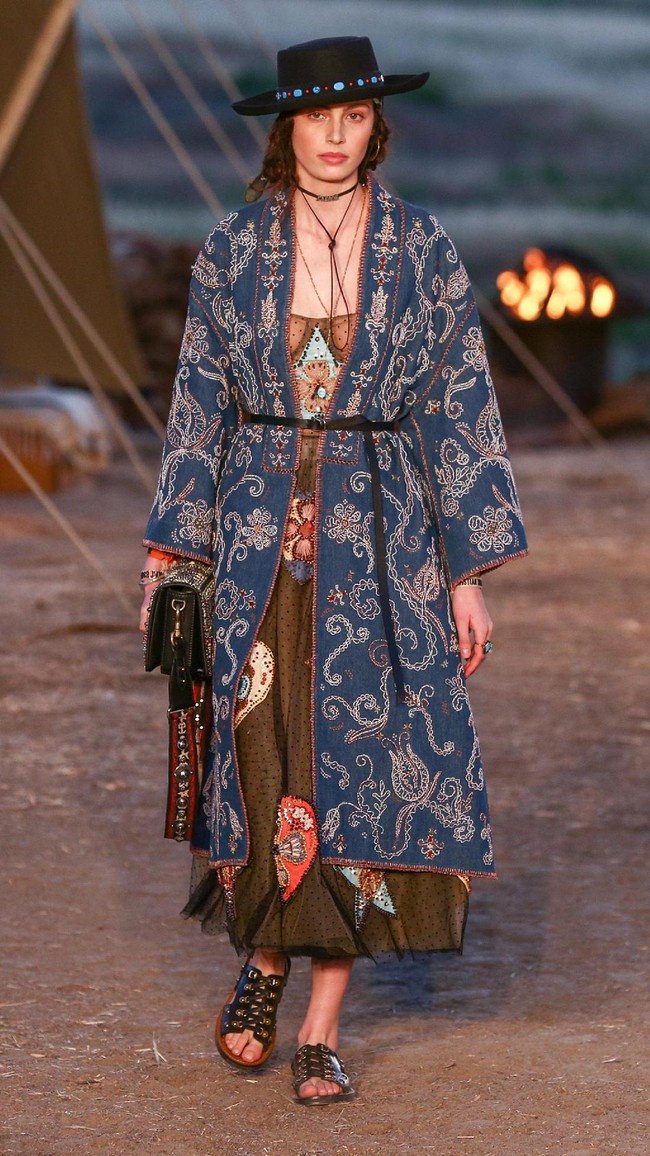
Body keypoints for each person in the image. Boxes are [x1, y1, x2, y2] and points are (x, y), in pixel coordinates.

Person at [140, 36, 527, 1106]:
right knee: (260, 756)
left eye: (352, 117)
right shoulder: (230, 250)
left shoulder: (424, 251)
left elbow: (457, 410)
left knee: (359, 764)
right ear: (287, 129)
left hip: (385, 537)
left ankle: (318, 1023)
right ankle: (261, 965)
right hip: (258, 528)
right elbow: (196, 405)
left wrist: (465, 572)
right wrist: (174, 552)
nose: (333, 135)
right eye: (316, 118)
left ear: (375, 127)